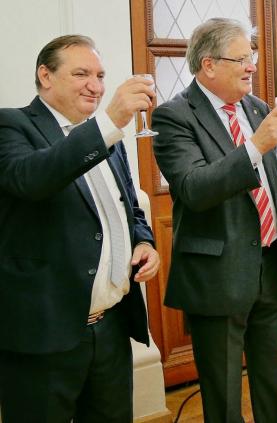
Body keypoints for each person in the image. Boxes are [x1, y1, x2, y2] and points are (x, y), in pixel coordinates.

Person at [151, 18, 277, 422]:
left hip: (270, 263)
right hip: (216, 274)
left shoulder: (256, 108)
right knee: (223, 398)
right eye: (241, 59)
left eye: (251, 57)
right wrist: (256, 146)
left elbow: (272, 185)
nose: (252, 66)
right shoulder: (173, 116)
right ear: (209, 65)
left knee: (273, 384)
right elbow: (194, 188)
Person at [0, 35, 160, 422]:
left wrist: (144, 241)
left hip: (111, 328)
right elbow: (32, 179)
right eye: (81, 74)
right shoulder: (11, 125)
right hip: (44, 336)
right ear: (46, 75)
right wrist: (109, 122)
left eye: (100, 75)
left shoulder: (108, 137)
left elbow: (128, 205)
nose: (95, 85)